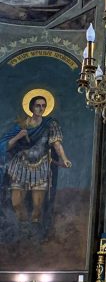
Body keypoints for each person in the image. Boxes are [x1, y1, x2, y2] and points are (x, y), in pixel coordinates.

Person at [0, 94, 72, 225]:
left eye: (44, 106)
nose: (41, 108)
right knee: (16, 204)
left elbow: (56, 144)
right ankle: (23, 228)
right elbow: (4, 145)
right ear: (31, 107)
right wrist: (18, 136)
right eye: (38, 106)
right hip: (20, 166)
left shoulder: (50, 124)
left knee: (38, 207)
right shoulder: (21, 125)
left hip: (41, 167)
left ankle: (35, 233)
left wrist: (64, 159)